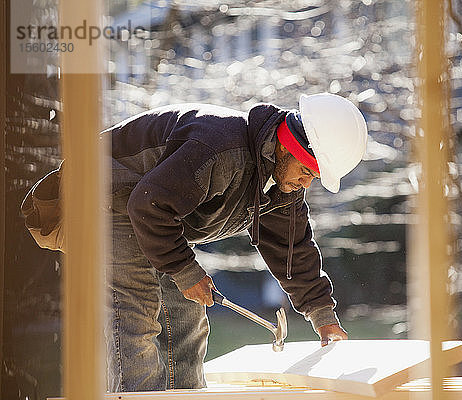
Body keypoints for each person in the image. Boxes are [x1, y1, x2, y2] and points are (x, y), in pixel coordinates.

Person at [103, 92, 368, 391]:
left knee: (186, 321)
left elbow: (292, 250)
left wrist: (323, 315)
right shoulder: (220, 148)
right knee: (136, 317)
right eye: (306, 170)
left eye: (314, 177)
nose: (306, 183)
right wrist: (186, 271)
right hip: (108, 196)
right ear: (286, 147)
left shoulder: (279, 183)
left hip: (155, 217)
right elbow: (147, 205)